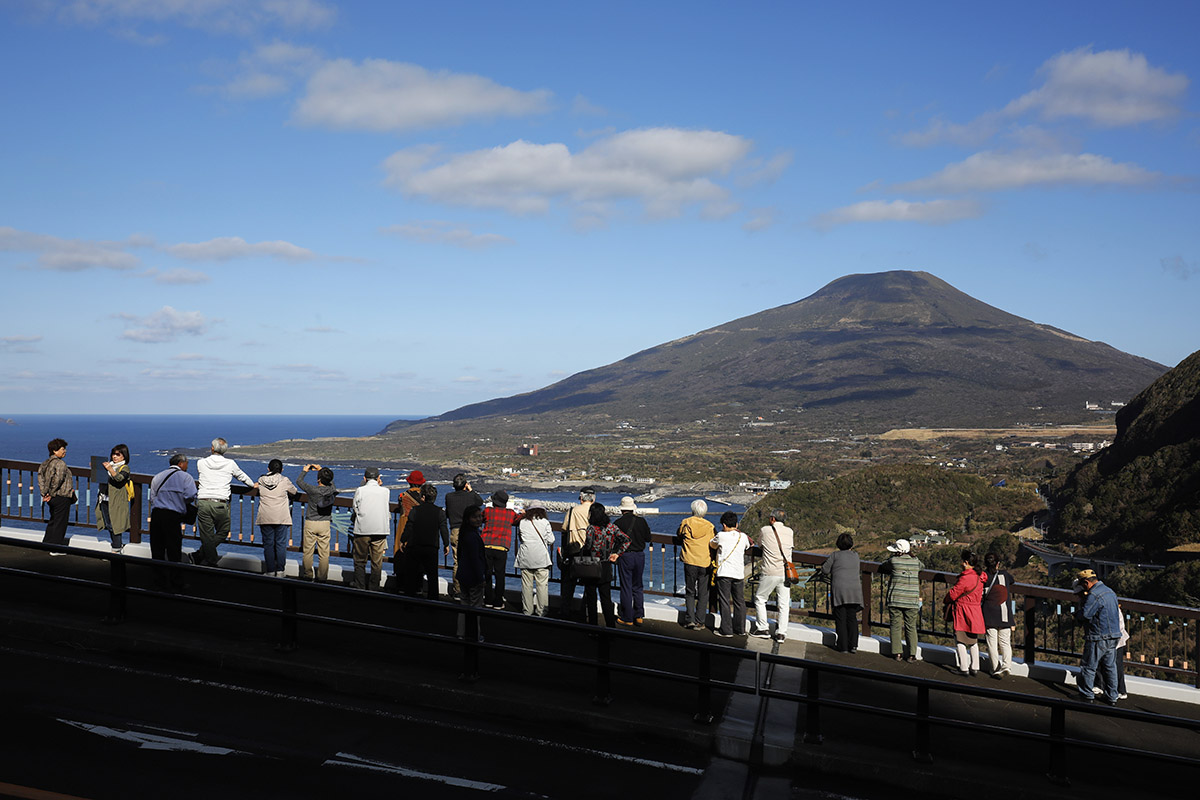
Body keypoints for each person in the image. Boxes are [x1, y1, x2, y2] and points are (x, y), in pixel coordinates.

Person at [194, 438, 256, 567]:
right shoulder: (230, 464)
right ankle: (210, 560)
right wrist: (253, 485)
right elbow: (242, 477)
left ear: (212, 448)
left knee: (206, 535)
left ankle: (201, 555)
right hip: (220, 503)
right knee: (223, 532)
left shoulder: (201, 462)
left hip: (203, 501)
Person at [148, 454, 197, 590]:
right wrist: (179, 501)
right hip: (173, 516)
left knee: (157, 550)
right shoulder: (186, 477)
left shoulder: (158, 476)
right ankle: (176, 583)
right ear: (181, 463)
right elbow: (191, 496)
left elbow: (152, 498)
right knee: (174, 551)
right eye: (187, 463)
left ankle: (159, 582)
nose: (187, 465)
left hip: (157, 514)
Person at [1075, 568, 1122, 704]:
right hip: (1113, 635)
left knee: (1089, 666)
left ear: (1086, 582)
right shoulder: (1110, 591)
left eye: (1081, 584)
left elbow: (1086, 614)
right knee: (1110, 667)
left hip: (1098, 636)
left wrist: (1076, 614)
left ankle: (1086, 695)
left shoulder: (1094, 595)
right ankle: (1112, 696)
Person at [580, 503, 631, 627]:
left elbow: (588, 546)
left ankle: (593, 627)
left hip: (591, 565)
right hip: (606, 565)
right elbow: (626, 540)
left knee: (591, 598)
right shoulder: (611, 528)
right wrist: (616, 553)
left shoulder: (591, 528)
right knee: (606, 599)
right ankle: (610, 627)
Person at [400, 483, 449, 601]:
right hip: (431, 546)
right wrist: (446, 544)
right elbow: (443, 529)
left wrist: (403, 540)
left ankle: (409, 601)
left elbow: (409, 527)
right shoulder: (440, 512)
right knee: (432, 576)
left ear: (423, 497)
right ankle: (433, 602)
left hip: (415, 545)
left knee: (411, 574)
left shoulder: (415, 510)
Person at [752, 508, 794, 642]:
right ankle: (781, 633)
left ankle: (763, 628)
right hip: (786, 573)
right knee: (783, 604)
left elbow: (759, 544)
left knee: (760, 598)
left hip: (770, 571)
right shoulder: (790, 531)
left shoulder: (765, 530)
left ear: (773, 519)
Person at [879, 538, 923, 662]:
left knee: (895, 626)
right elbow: (922, 566)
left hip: (896, 598)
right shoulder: (916, 562)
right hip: (912, 600)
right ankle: (912, 654)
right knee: (911, 627)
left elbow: (884, 565)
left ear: (898, 552)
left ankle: (897, 653)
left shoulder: (893, 561)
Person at [296, 464, 341, 582]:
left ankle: (308, 574)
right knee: (324, 553)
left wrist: (305, 471)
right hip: (325, 523)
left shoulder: (312, 490)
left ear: (318, 479)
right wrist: (322, 471)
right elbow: (332, 483)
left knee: (308, 551)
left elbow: (299, 481)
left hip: (311, 522)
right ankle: (322, 577)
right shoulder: (331, 490)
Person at [945, 549, 987, 676]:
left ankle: (963, 667)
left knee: (960, 639)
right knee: (973, 640)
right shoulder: (981, 576)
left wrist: (945, 600)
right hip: (975, 610)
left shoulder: (966, 578)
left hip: (963, 610)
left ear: (966, 562)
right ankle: (975, 666)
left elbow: (953, 594)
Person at [821, 533, 864, 652]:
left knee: (840, 618)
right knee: (852, 618)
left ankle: (843, 646)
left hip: (840, 590)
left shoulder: (835, 555)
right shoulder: (856, 556)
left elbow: (825, 570)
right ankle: (853, 645)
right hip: (854, 591)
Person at [255, 459, 297, 577]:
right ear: (282, 469)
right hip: (281, 517)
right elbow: (294, 491)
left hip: (265, 515)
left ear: (268, 469)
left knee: (268, 544)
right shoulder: (284, 480)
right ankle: (280, 570)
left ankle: (269, 570)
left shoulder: (261, 480)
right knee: (280, 544)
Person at [444, 473, 483, 600]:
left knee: (457, 561)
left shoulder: (449, 496)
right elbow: (480, 502)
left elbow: (448, 513)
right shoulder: (470, 496)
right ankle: (472, 588)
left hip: (455, 530)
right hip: (470, 530)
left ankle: (458, 589)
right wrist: (471, 490)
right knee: (474, 559)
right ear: (465, 485)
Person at [350, 467, 390, 590]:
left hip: (363, 529)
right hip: (380, 529)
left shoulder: (360, 490)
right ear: (378, 478)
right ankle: (374, 586)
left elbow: (355, 508)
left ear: (364, 478)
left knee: (360, 560)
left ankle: (360, 584)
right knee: (377, 562)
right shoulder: (385, 491)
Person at [613, 496, 651, 627]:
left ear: (622, 509)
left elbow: (614, 540)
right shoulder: (641, 521)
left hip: (625, 556)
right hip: (640, 555)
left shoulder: (618, 523)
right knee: (638, 586)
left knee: (626, 586)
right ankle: (639, 615)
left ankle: (627, 617)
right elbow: (648, 538)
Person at [710, 511, 750, 637]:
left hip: (725, 573)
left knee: (724, 601)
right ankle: (740, 629)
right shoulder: (742, 537)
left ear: (724, 525)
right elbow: (748, 546)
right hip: (738, 573)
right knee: (739, 601)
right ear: (737, 525)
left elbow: (712, 544)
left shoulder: (721, 535)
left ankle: (726, 630)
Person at [481, 491, 522, 609]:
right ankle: (498, 602)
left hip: (487, 545)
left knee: (487, 574)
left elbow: (481, 517)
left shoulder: (488, 511)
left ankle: (488, 599)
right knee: (500, 575)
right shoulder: (510, 513)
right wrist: (524, 513)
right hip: (501, 547)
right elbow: (517, 519)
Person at [679, 499, 715, 630]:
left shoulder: (686, 522)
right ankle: (700, 621)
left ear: (693, 509)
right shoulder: (710, 526)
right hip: (704, 562)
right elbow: (713, 542)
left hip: (689, 561)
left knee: (690, 591)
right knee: (703, 592)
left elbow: (679, 535)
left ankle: (690, 620)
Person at [559, 487, 595, 618]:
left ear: (581, 497)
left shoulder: (573, 510)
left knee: (569, 583)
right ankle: (585, 612)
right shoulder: (594, 511)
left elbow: (564, 527)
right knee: (589, 585)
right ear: (593, 498)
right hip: (589, 551)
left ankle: (565, 611)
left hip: (573, 549)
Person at [515, 502, 555, 616]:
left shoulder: (523, 522)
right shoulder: (545, 522)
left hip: (526, 556)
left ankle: (527, 611)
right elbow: (551, 540)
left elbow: (521, 537)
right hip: (541, 558)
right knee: (542, 586)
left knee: (527, 586)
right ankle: (542, 611)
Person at [390, 470, 426, 592]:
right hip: (419, 526)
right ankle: (418, 585)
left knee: (402, 554)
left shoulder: (403, 496)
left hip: (404, 525)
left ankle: (401, 584)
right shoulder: (424, 497)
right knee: (417, 555)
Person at [455, 505, 487, 640]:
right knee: (475, 607)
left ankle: (461, 633)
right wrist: (481, 578)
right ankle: (474, 634)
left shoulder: (463, 534)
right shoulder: (473, 537)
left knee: (464, 605)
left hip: (463, 574)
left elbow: (462, 555)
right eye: (475, 517)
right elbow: (475, 559)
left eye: (480, 516)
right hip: (474, 577)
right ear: (468, 519)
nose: (479, 519)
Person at [982, 551, 1015, 677]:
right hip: (1005, 612)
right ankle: (1006, 666)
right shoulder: (1005, 575)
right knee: (1005, 642)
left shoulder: (983, 576)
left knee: (992, 643)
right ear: (998, 564)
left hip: (989, 613)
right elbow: (1012, 581)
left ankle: (995, 668)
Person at [38, 438, 73, 549]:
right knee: (60, 523)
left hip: (51, 498)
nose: (65, 451)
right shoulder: (60, 464)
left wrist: (45, 494)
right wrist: (51, 493)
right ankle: (56, 547)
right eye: (62, 449)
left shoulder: (45, 463)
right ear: (54, 450)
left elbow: (40, 478)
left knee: (53, 521)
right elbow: (58, 480)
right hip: (61, 497)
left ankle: (47, 544)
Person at [97, 443, 132, 553]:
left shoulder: (124, 468)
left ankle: (116, 547)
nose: (114, 457)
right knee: (108, 524)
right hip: (104, 499)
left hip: (116, 502)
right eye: (113, 454)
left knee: (115, 525)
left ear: (124, 456)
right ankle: (116, 545)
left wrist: (110, 469)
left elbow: (119, 478)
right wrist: (97, 469)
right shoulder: (109, 466)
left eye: (118, 454)